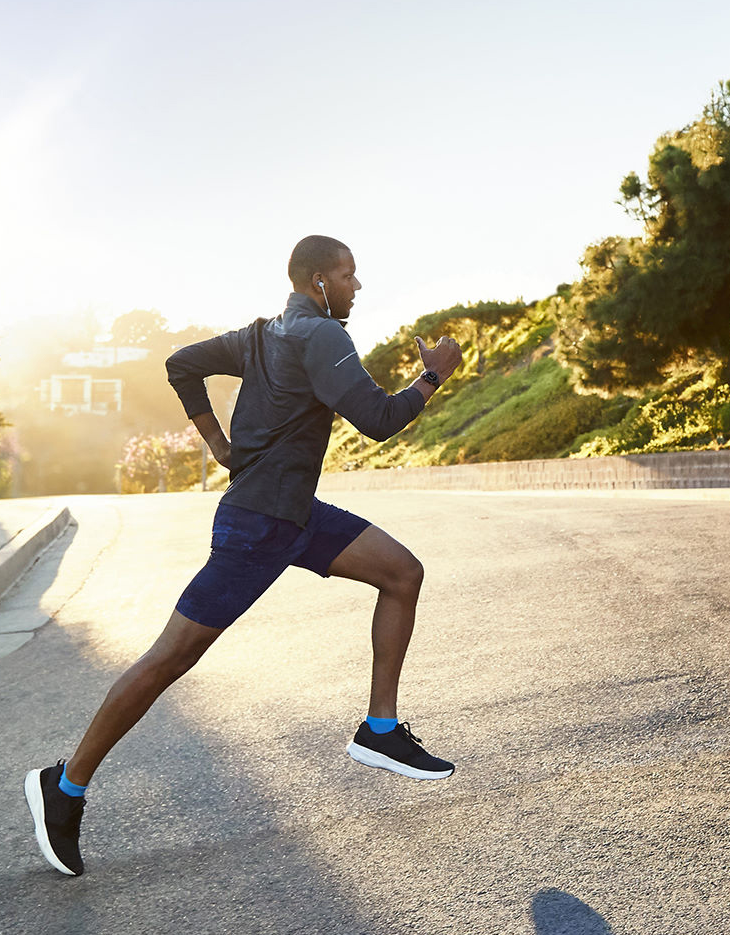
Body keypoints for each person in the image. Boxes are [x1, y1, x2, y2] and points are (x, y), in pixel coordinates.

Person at [25, 234, 465, 877]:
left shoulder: (259, 335)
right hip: (258, 526)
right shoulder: (322, 337)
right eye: (349, 275)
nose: (357, 287)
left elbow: (181, 363)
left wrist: (219, 445)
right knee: (169, 658)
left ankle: (379, 728)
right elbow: (378, 418)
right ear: (319, 281)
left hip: (296, 517)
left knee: (401, 573)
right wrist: (434, 376)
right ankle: (63, 786)